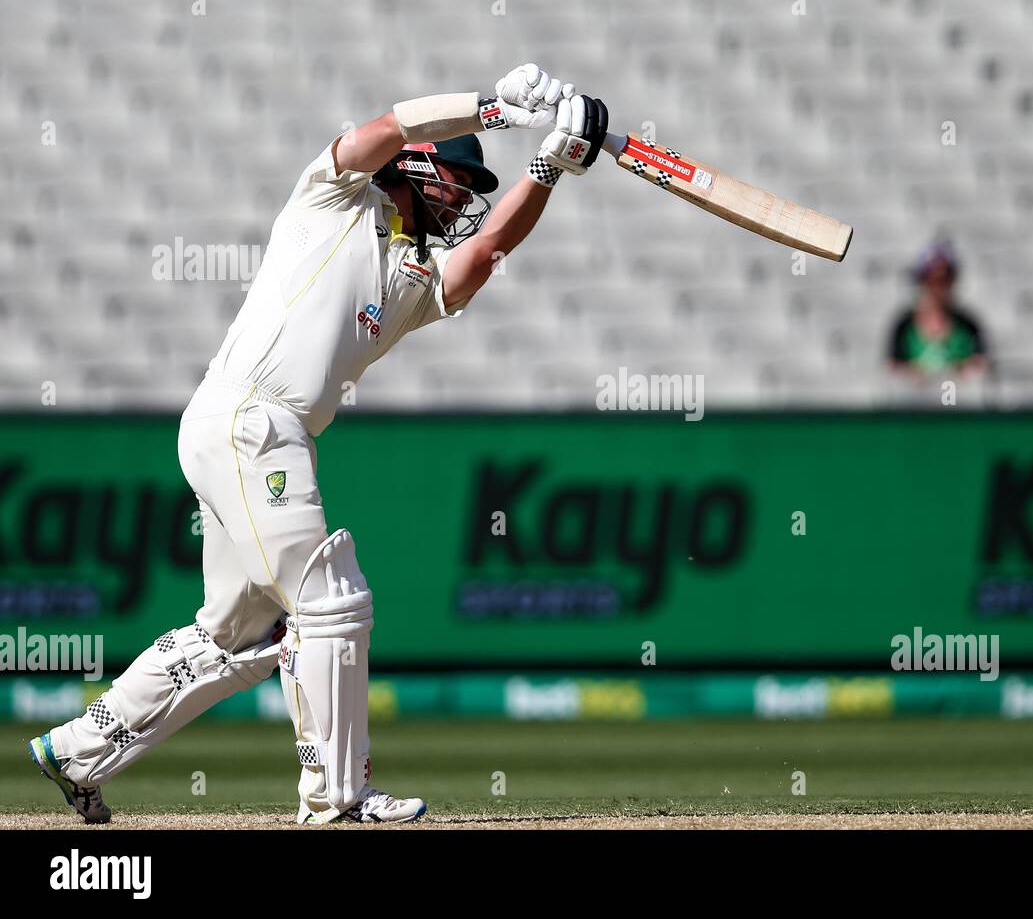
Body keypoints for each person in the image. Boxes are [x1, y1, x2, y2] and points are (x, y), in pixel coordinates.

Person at [28, 63, 609, 825]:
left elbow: (479, 262)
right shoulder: (331, 196)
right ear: (419, 170)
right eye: (459, 182)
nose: (466, 200)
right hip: (248, 420)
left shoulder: (411, 277)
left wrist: (549, 168)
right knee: (331, 601)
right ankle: (336, 800)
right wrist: (493, 109)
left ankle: (77, 750)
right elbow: (390, 128)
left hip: (263, 431)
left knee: (235, 636)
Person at [887, 240, 989, 378]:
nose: (938, 288)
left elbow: (981, 367)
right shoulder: (904, 326)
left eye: (944, 279)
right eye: (931, 279)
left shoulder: (968, 326)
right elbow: (891, 370)